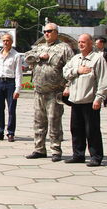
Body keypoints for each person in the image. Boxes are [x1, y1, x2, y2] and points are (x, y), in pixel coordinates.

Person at [23, 23, 74, 161]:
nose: (46, 34)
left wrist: (68, 86)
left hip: (55, 91)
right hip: (39, 91)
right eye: (44, 31)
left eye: (49, 31)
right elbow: (27, 58)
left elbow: (71, 68)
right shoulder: (40, 47)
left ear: (56, 32)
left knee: (54, 121)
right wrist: (40, 56)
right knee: (38, 121)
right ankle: (39, 149)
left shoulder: (64, 48)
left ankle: (56, 150)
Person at [62, 33, 107, 167]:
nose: (80, 44)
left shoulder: (97, 59)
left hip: (90, 101)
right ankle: (78, 154)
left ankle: (96, 156)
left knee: (92, 130)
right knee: (76, 129)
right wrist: (77, 71)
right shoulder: (75, 59)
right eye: (79, 42)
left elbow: (103, 80)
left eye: (83, 42)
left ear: (91, 43)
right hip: (76, 100)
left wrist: (99, 98)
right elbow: (65, 72)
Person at [0, 33, 23, 142]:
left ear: (12, 42)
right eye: (4, 41)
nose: (6, 43)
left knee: (11, 109)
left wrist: (18, 89)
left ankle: (10, 133)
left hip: (10, 83)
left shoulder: (16, 55)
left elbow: (18, 73)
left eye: (8, 40)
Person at [94, 37, 107, 108]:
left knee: (105, 87)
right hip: (96, 71)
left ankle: (106, 102)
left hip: (104, 72)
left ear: (102, 43)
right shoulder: (94, 52)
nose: (96, 44)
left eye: (97, 43)